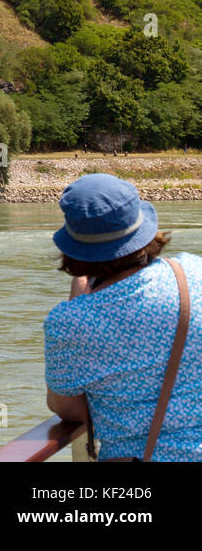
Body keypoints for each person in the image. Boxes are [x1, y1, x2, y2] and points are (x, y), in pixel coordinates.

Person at [45, 173, 202, 461]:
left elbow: (68, 408)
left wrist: (79, 298)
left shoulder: (71, 322)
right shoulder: (195, 272)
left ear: (73, 250)